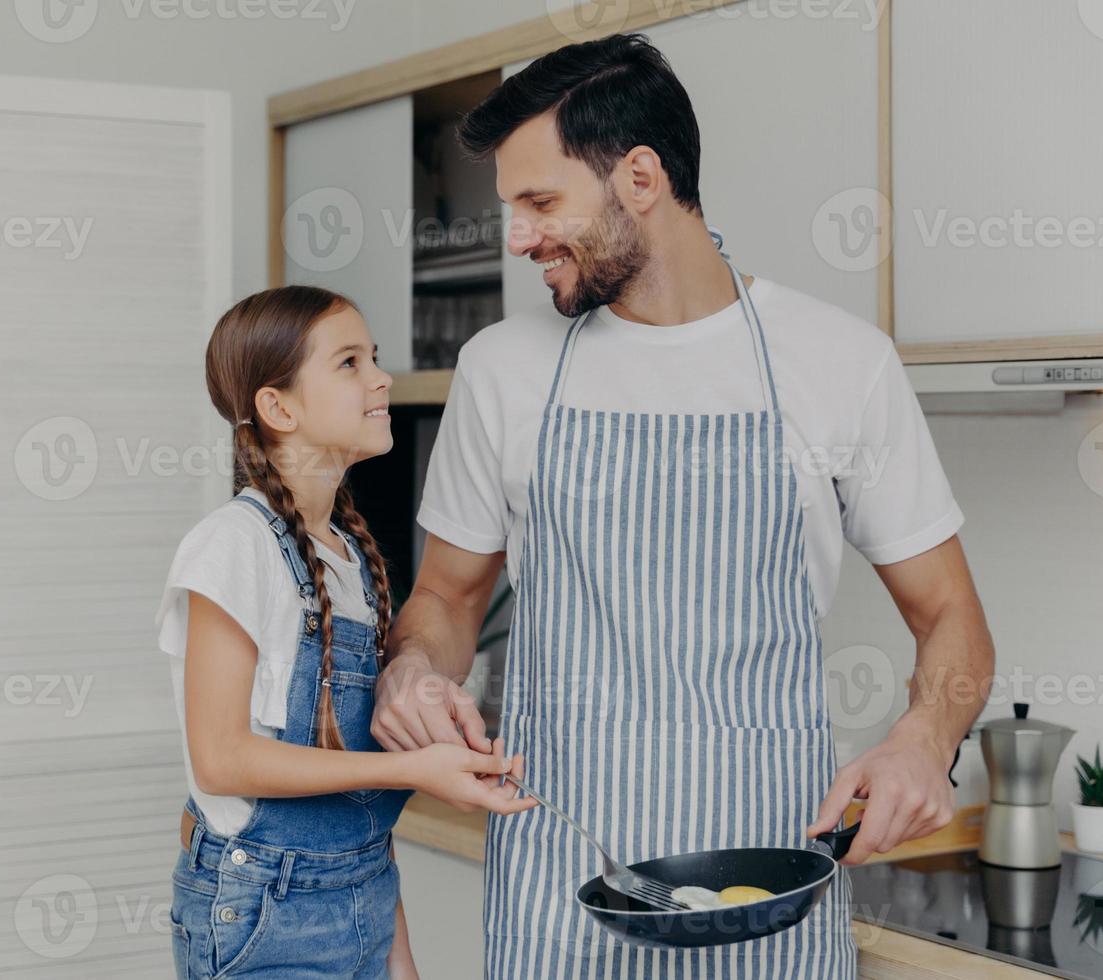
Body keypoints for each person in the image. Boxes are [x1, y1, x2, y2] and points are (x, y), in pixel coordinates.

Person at [371, 34, 995, 979]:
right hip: (558, 898)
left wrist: (923, 740)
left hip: (771, 900)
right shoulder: (500, 370)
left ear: (640, 176)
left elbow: (952, 618)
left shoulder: (840, 363)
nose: (520, 236)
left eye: (540, 203)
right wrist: (412, 670)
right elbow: (448, 601)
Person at [156, 285, 537, 978]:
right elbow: (222, 759)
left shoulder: (349, 556)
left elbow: (361, 822)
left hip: (361, 904)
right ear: (279, 407)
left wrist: (402, 962)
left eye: (376, 358)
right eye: (350, 362)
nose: (380, 377)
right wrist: (413, 770)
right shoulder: (233, 546)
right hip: (263, 917)